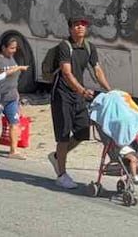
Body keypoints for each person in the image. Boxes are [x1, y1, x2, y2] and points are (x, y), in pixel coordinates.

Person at [48, 17, 112, 189]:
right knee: (63, 135)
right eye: (77, 25)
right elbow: (67, 73)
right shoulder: (65, 46)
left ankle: (57, 157)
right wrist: (82, 90)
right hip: (62, 95)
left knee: (83, 131)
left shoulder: (89, 47)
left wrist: (109, 90)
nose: (80, 28)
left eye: (83, 25)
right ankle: (61, 175)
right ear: (70, 29)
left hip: (78, 95)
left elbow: (97, 70)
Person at [0, 36, 28, 160]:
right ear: (3, 47)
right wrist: (18, 68)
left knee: (15, 123)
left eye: (15, 48)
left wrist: (17, 97)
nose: (14, 51)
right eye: (11, 48)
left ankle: (13, 151)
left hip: (12, 98)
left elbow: (14, 80)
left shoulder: (12, 59)